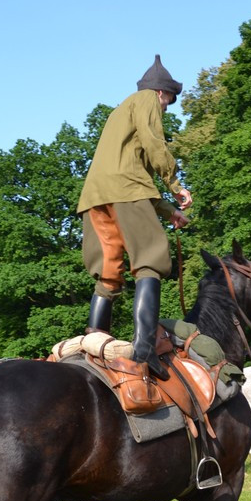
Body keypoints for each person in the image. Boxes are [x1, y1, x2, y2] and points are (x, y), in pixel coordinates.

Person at [76, 55, 191, 380]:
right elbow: (155, 143)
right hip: (125, 192)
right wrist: (175, 185)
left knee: (109, 273)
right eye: (169, 100)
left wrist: (170, 212)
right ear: (162, 92)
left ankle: (93, 349)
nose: (167, 107)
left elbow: (130, 175)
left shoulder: (119, 112)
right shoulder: (147, 101)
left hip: (97, 196)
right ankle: (143, 351)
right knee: (150, 260)